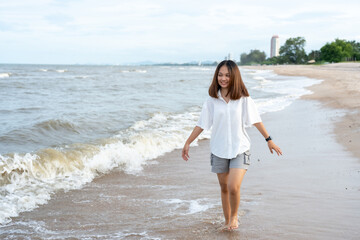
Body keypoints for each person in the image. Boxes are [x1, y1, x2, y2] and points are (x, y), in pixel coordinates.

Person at [181, 60, 282, 231]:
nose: (223, 78)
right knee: (224, 187)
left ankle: (234, 217)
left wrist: (269, 139)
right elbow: (202, 124)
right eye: (220, 75)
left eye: (227, 75)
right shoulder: (212, 100)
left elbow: (256, 120)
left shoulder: (243, 99)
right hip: (218, 150)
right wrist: (188, 142)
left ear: (234, 76)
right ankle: (227, 221)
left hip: (240, 148)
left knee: (233, 186)